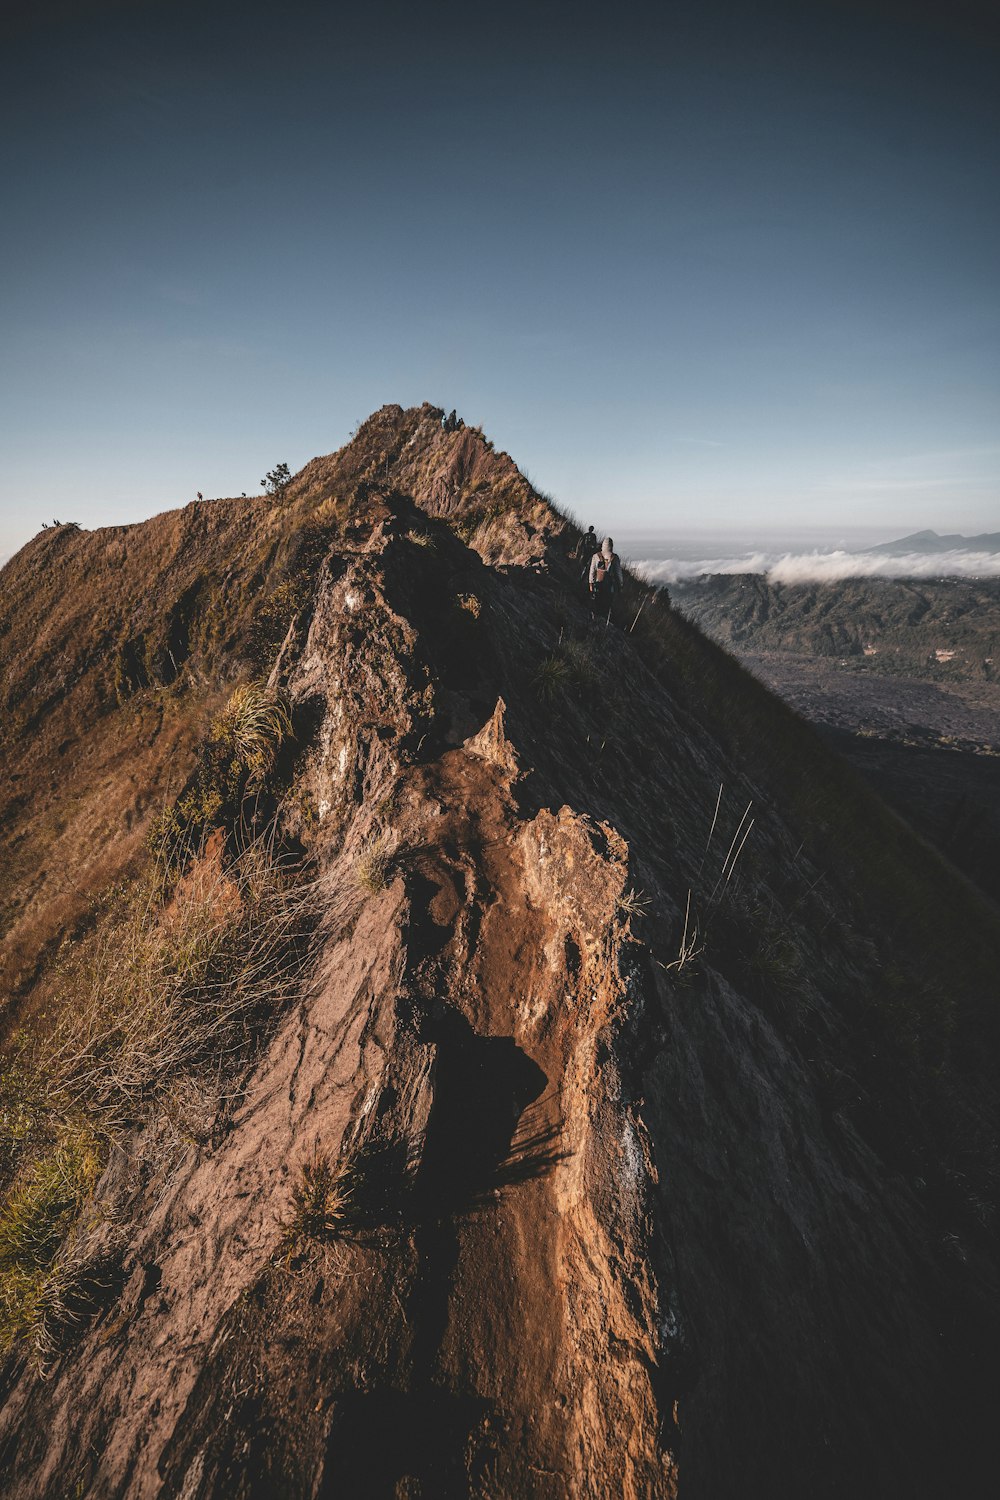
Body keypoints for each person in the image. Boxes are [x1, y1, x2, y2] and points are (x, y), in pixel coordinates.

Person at [589, 536, 624, 617]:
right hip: (609, 587)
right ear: (611, 546)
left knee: (597, 603)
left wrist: (591, 585)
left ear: (603, 545)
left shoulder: (595, 556)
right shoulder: (615, 558)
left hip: (597, 585)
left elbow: (591, 572)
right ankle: (605, 620)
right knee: (607, 605)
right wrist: (620, 586)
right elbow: (619, 574)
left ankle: (596, 618)